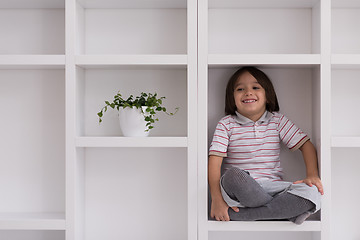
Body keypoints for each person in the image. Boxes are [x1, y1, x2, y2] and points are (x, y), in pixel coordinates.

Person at [208, 66, 323, 224]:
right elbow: (214, 162)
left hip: (273, 189)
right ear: (232, 98)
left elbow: (306, 146)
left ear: (268, 96)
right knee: (233, 175)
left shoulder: (277, 121)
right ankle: (283, 213)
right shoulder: (227, 124)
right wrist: (216, 199)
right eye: (240, 89)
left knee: (313, 193)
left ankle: (245, 215)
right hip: (240, 190)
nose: (248, 92)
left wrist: (312, 175)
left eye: (255, 87)